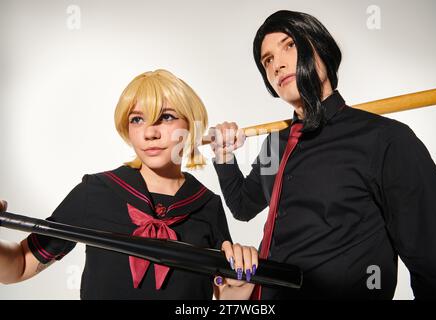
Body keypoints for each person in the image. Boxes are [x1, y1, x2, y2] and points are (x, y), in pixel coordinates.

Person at [210, 10, 436, 300]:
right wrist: (223, 155)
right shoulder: (275, 144)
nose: (277, 65)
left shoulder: (386, 140)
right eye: (268, 60)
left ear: (321, 48)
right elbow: (243, 206)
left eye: (290, 45)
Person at [0, 69, 258, 300]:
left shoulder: (207, 204)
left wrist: (239, 290)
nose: (149, 132)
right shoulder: (97, 191)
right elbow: (20, 266)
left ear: (191, 126)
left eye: (166, 117)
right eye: (137, 119)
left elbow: (223, 292)